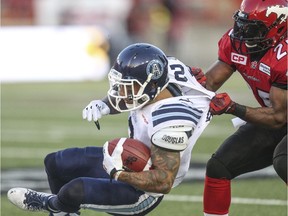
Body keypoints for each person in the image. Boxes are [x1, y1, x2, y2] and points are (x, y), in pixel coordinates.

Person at [7, 43, 215, 216]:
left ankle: (51, 204)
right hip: (132, 164)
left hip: (142, 193)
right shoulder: (161, 81)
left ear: (152, 85)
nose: (120, 92)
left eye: (127, 86)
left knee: (74, 190)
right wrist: (105, 105)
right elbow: (131, 96)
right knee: (55, 162)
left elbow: (163, 182)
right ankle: (64, 212)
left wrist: (118, 174)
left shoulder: (171, 119)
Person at [191, 0, 287, 215]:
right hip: (279, 114)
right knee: (219, 167)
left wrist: (233, 108)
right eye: (242, 24)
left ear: (278, 28)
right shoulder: (238, 43)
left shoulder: (284, 56)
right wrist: (188, 80)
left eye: (252, 28)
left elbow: (279, 118)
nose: (242, 33)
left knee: (285, 160)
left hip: (280, 115)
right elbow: (210, 83)